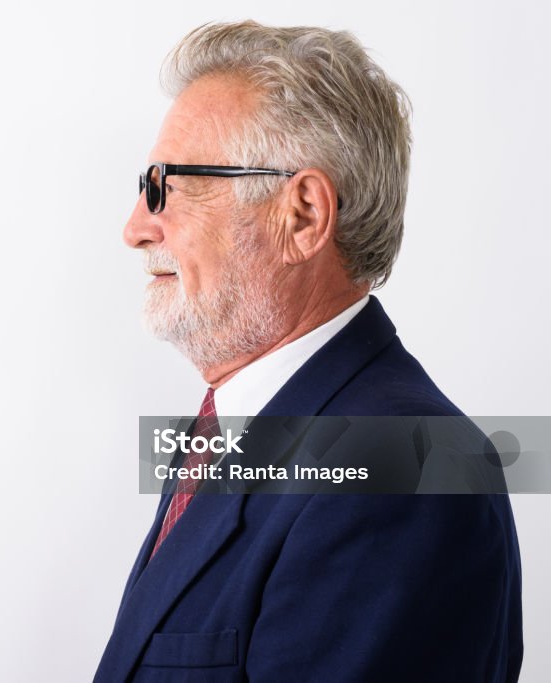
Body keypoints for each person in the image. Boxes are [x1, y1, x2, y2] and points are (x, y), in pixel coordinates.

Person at [95, 21, 523, 682]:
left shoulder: (406, 478)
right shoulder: (234, 428)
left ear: (302, 214)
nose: (135, 227)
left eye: (166, 186)